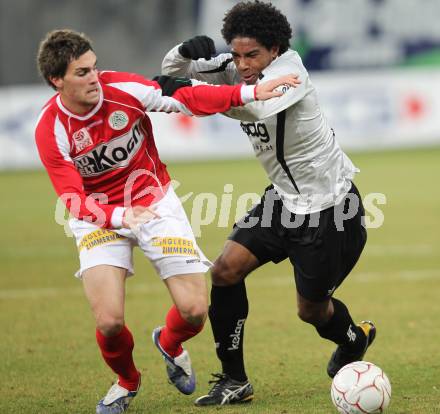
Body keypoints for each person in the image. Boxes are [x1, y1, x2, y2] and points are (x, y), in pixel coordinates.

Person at [35, 29, 299, 414]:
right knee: (109, 321)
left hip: (154, 201)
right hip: (99, 218)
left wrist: (248, 93)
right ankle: (127, 382)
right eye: (81, 73)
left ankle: (170, 343)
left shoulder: (122, 89)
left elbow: (185, 95)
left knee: (194, 310)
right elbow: (73, 199)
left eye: (93, 67)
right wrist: (120, 216)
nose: (93, 77)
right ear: (56, 80)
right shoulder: (51, 129)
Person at [162, 0, 376, 406]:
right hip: (283, 200)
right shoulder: (237, 67)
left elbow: (248, 105)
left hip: (330, 209)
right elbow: (173, 73)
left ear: (275, 49)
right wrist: (184, 54)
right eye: (237, 54)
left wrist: (189, 92)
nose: (242, 65)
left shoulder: (289, 74)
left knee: (311, 311)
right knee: (224, 270)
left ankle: (354, 338)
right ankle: (234, 380)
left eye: (252, 55)